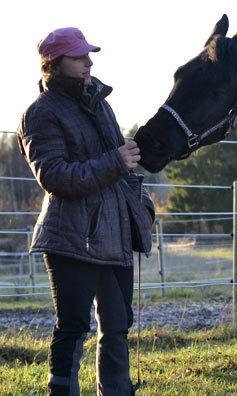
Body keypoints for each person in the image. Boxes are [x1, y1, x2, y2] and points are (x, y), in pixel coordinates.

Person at [16, 27, 154, 396]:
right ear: (54, 65)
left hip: (115, 234)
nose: (88, 62)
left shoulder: (101, 103)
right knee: (73, 327)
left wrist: (142, 206)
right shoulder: (40, 114)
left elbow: (121, 168)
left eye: (88, 54)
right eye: (78, 56)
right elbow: (55, 177)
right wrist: (115, 161)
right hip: (69, 238)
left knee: (118, 326)